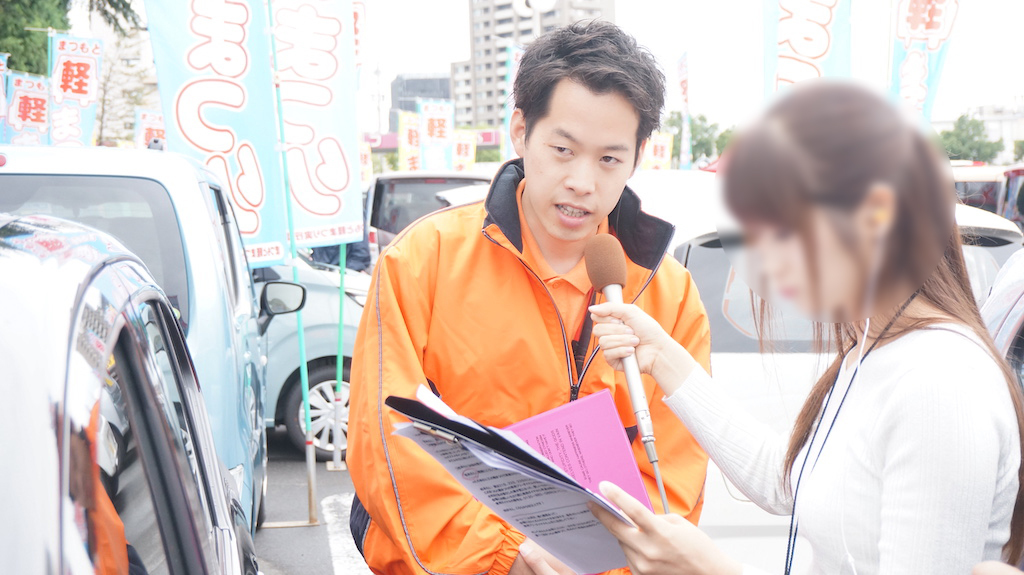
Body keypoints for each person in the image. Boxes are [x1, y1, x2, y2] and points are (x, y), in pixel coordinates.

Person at [528, 82, 1024, 574]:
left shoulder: (940, 382)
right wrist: (661, 356)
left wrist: (710, 570)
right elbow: (784, 479)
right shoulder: (874, 347)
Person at [346, 21, 713, 575]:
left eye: (609, 159)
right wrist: (506, 557)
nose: (582, 182)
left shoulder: (672, 295)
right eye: (562, 150)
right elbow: (386, 444)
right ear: (521, 131)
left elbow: (673, 481)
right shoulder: (422, 261)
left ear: (638, 155)